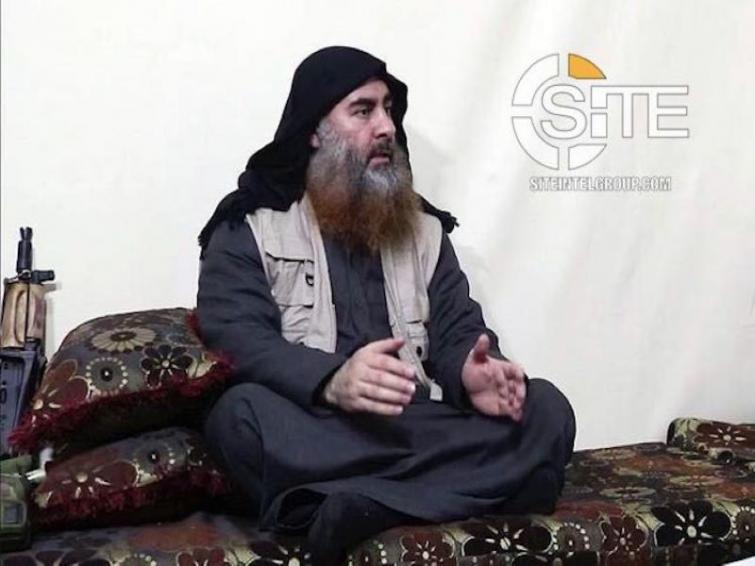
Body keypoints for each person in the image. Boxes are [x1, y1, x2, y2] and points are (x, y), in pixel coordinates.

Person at [196, 46, 576, 564]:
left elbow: (457, 328)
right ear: (315, 130)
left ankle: (364, 503)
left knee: (547, 408)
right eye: (363, 110)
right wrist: (333, 380)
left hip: (410, 421)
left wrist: (472, 373)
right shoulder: (249, 227)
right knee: (238, 417)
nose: (386, 127)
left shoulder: (423, 231)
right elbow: (237, 339)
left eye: (389, 109)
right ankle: (492, 486)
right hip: (318, 424)